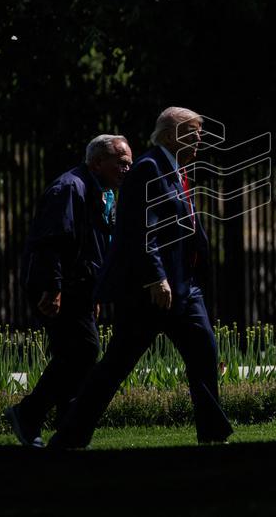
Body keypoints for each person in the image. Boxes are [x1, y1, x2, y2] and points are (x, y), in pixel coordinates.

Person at [49, 107, 233, 448]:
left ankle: (213, 436)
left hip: (184, 288)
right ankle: (69, 436)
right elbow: (140, 228)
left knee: (204, 352)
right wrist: (155, 277)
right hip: (150, 291)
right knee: (116, 366)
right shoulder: (149, 167)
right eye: (192, 132)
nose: (199, 138)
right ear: (170, 135)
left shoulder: (177, 168)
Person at [6, 135, 133, 447]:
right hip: (57, 284)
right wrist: (53, 288)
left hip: (79, 285)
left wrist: (95, 291)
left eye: (129, 163)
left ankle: (66, 430)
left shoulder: (103, 191)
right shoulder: (70, 188)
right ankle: (29, 413)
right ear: (97, 162)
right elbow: (54, 241)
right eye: (121, 163)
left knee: (74, 354)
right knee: (84, 350)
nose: (127, 169)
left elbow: (95, 245)